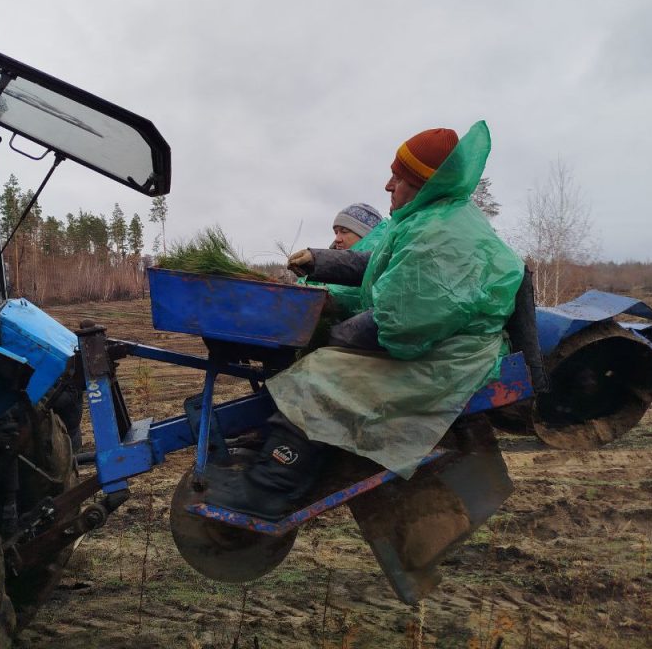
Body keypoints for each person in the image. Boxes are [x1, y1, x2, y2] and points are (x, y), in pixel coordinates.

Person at [205, 122, 525, 519]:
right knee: (323, 361)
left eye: (400, 177)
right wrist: (320, 261)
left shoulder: (440, 235)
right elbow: (381, 263)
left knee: (321, 378)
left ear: (424, 185)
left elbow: (403, 326)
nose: (389, 185)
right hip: (441, 341)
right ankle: (276, 456)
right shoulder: (432, 216)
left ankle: (270, 492)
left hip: (448, 358)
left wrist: (336, 335)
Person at [301, 203, 384, 319]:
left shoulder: (380, 260)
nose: (337, 239)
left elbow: (345, 294)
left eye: (344, 231)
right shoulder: (329, 262)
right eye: (336, 233)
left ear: (366, 235)